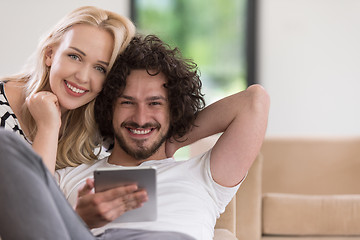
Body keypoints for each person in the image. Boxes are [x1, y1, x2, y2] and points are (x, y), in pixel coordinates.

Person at [55, 35, 270, 240]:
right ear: (109, 108)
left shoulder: (204, 175)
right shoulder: (68, 178)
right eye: (127, 102)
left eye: (154, 103)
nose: (140, 119)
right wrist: (78, 221)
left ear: (174, 109)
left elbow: (254, 101)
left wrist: (174, 139)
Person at [0, 5, 135, 173]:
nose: (83, 77)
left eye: (100, 68)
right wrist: (48, 128)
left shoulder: (100, 117)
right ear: (49, 54)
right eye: (74, 57)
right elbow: (31, 196)